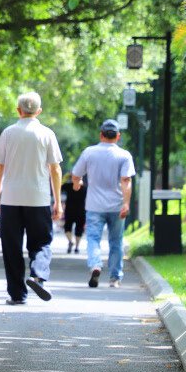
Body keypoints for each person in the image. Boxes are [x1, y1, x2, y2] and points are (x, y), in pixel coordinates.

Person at [0, 92, 63, 305]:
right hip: (38, 198)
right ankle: (38, 275)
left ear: (18, 110)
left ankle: (17, 294)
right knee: (41, 242)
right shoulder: (46, 133)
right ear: (38, 111)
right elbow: (55, 169)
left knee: (11, 246)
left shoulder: (8, 133)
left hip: (11, 199)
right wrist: (57, 201)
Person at [71, 119, 135, 288]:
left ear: (101, 135)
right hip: (117, 206)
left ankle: (96, 265)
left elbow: (76, 175)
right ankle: (115, 278)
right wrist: (126, 204)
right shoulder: (124, 155)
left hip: (94, 206)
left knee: (93, 238)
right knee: (116, 241)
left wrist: (77, 185)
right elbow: (126, 180)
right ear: (118, 136)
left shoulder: (89, 153)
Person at [60, 172, 86, 254]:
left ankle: (70, 241)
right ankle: (77, 247)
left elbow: (59, 186)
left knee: (67, 228)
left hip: (69, 211)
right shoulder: (85, 188)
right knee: (79, 229)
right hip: (81, 212)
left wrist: (66, 176)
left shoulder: (68, 186)